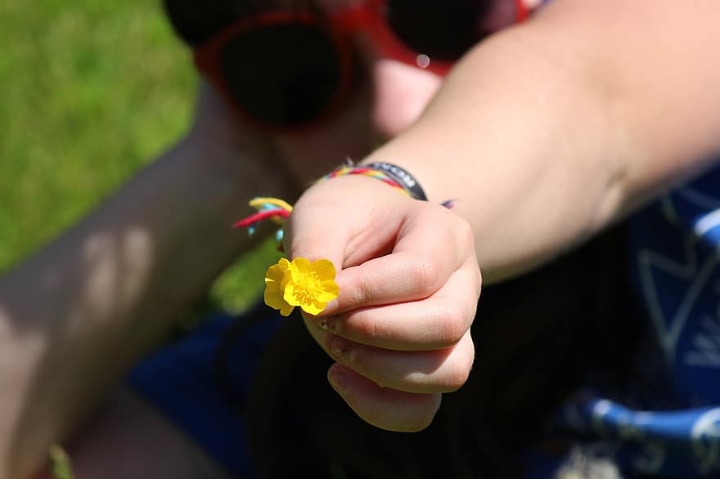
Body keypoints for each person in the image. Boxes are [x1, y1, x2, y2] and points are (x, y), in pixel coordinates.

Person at [3, 0, 720, 478]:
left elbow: (592, 99)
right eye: (289, 65)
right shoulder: (309, 381)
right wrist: (215, 169)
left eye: (441, 9)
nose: (392, 103)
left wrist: (396, 182)